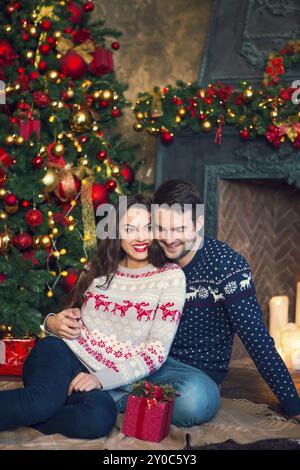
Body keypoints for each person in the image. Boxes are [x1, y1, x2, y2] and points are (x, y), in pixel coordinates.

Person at [0, 195, 186, 438]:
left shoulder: (170, 277)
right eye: (130, 229)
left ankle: (40, 412)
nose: (141, 237)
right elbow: (66, 316)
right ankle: (41, 405)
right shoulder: (100, 269)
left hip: (95, 380)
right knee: (41, 402)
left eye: (148, 227)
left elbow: (155, 352)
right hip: (60, 354)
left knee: (99, 418)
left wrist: (99, 379)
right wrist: (51, 322)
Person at [151, 179, 300, 422]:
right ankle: (139, 399)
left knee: (193, 401)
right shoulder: (151, 256)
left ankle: (128, 400)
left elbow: (258, 341)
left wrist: (294, 406)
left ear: (198, 222)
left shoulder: (227, 266)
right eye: (161, 228)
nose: (168, 238)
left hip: (196, 377)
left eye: (178, 229)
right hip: (147, 364)